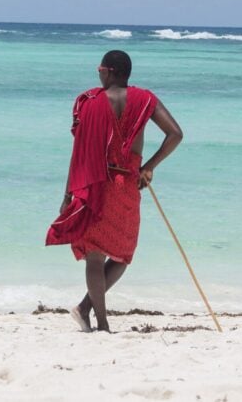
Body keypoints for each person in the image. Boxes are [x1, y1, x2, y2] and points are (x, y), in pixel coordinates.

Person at [46, 50, 182, 332]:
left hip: (96, 183)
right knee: (123, 254)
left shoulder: (90, 102)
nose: (98, 74)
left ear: (109, 71)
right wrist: (149, 166)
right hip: (127, 184)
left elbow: (80, 153)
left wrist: (68, 195)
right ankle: (94, 317)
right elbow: (175, 134)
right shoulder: (145, 99)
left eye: (100, 70)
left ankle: (96, 318)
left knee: (95, 256)